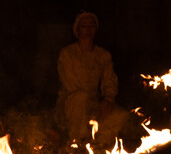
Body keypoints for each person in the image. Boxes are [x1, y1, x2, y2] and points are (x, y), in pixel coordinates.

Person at [55, 11, 129, 145]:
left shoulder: (103, 55)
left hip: (94, 104)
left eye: (92, 26)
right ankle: (76, 146)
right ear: (77, 29)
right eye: (84, 26)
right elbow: (70, 84)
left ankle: (98, 147)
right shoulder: (67, 54)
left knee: (121, 116)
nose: (88, 30)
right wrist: (86, 101)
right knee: (80, 99)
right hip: (71, 102)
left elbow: (109, 81)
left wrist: (107, 100)